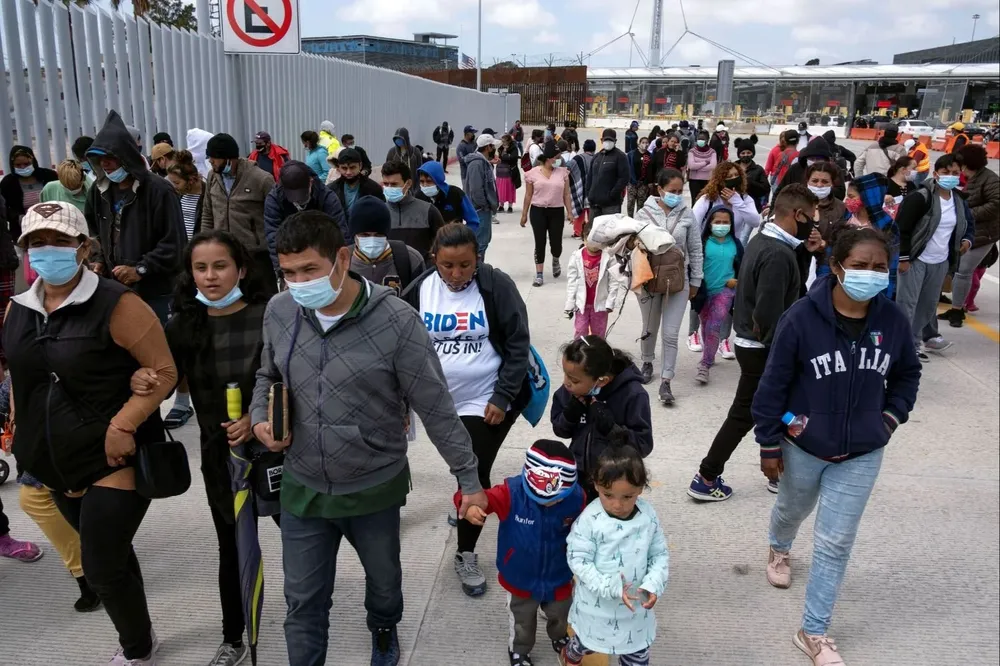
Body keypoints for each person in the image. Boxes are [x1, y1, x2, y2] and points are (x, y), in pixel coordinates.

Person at [249, 211, 486, 666]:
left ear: (342, 258)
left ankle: (382, 627)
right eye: (289, 273)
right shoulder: (281, 312)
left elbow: (435, 406)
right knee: (302, 599)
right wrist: (261, 417)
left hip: (374, 485)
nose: (299, 283)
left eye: (309, 270)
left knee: (384, 584)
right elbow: (266, 374)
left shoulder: (397, 322)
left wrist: (468, 478)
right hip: (303, 486)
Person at [4, 202, 176, 665]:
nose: (46, 251)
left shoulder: (117, 303)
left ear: (83, 247)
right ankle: (142, 633)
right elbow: (23, 376)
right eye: (36, 243)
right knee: (113, 554)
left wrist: (124, 423)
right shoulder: (19, 307)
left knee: (100, 566)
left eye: (59, 241)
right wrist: (17, 429)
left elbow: (163, 371)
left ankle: (137, 648)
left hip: (111, 456)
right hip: (52, 461)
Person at [752, 227, 920, 666]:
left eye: (879, 267)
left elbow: (907, 374)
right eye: (860, 266)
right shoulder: (800, 319)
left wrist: (891, 416)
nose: (870, 274)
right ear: (837, 267)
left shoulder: (893, 321)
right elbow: (772, 386)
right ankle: (779, 545)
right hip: (804, 445)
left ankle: (814, 631)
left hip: (863, 450)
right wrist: (769, 444)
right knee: (792, 509)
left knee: (835, 542)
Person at [130, 230, 275, 666]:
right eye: (200, 267)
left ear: (242, 269)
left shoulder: (272, 315)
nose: (210, 277)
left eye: (220, 266)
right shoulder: (182, 324)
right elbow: (163, 377)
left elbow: (294, 378)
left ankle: (308, 615)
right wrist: (142, 382)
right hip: (220, 454)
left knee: (305, 535)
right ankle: (234, 636)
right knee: (230, 546)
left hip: (276, 448)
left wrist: (259, 414)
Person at [398, 223, 530, 601]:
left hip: (485, 396)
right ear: (434, 259)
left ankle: (466, 553)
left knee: (473, 469)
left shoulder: (495, 286)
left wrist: (503, 395)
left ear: (478, 260)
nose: (456, 274)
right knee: (461, 466)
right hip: (437, 400)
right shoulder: (420, 291)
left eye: (465, 265)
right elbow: (397, 345)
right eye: (448, 265)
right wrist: (401, 400)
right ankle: (463, 500)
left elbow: (519, 342)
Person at [688, 185, 821, 500]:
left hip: (755, 344)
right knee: (751, 413)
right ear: (797, 214)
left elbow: (789, 286)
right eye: (811, 218)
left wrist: (804, 252)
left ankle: (760, 473)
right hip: (763, 348)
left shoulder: (766, 240)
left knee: (774, 411)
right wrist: (788, 355)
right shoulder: (777, 254)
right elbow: (769, 312)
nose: (813, 225)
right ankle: (707, 477)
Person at [460, 438, 585, 666]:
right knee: (522, 621)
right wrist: (470, 505)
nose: (548, 504)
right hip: (519, 576)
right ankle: (519, 649)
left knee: (561, 612)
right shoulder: (511, 492)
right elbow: (479, 497)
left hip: (559, 574)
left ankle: (558, 636)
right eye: (540, 499)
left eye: (556, 499)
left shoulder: (577, 498)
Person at [563, 435, 668, 666]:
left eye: (627, 496)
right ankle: (571, 653)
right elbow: (578, 559)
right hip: (596, 610)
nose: (617, 505)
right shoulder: (590, 519)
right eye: (608, 495)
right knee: (586, 643)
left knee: (636, 657)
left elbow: (659, 555)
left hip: (635, 612)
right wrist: (610, 586)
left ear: (641, 489)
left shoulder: (648, 517)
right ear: (597, 486)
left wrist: (653, 583)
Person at [84, 110, 185, 325]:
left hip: (156, 292)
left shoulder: (159, 191)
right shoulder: (98, 191)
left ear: (126, 155)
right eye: (100, 158)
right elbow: (93, 232)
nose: (105, 164)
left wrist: (141, 269)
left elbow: (174, 243)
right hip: (114, 291)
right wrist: (99, 260)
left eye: (110, 157)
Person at [551, 336, 653, 502]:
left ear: (602, 380)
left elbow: (643, 444)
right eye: (566, 375)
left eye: (574, 380)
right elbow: (560, 430)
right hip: (578, 476)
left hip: (611, 484)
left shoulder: (633, 395)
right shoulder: (570, 392)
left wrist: (612, 429)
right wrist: (570, 414)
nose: (566, 383)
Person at [634, 168, 704, 402]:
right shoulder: (643, 213)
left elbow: (695, 249)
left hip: (678, 281)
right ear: (659, 189)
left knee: (671, 333)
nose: (676, 195)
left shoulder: (688, 214)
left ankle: (666, 380)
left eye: (680, 191)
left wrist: (696, 280)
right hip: (649, 280)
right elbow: (633, 248)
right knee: (649, 327)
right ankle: (646, 361)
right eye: (671, 191)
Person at [895, 155, 974, 360]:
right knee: (907, 304)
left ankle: (915, 341)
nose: (950, 176)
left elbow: (968, 225)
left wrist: (967, 240)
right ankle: (905, 347)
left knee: (928, 305)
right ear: (936, 174)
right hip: (916, 259)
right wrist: (903, 258)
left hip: (940, 261)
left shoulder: (959, 200)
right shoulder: (921, 197)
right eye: (946, 172)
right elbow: (902, 229)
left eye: (955, 173)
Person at [201, 132, 278, 297]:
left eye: (214, 157)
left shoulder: (261, 179)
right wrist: (205, 244)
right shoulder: (213, 177)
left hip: (256, 257)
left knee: (261, 300)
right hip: (224, 254)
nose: (210, 161)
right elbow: (208, 213)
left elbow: (276, 216)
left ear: (229, 158)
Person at [942, 144, 999, 327]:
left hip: (983, 234)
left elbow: (996, 204)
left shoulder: (990, 180)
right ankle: (958, 307)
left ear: (968, 164)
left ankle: (957, 311)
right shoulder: (974, 178)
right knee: (960, 271)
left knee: (964, 271)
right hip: (972, 231)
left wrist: (968, 214)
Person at [692, 206, 743, 385]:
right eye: (717, 222)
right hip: (703, 292)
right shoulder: (702, 242)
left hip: (725, 292)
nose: (721, 225)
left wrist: (736, 280)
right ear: (710, 223)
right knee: (705, 325)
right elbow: (693, 265)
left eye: (725, 222)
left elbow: (743, 267)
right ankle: (710, 355)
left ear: (731, 224)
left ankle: (704, 365)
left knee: (714, 326)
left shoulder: (736, 244)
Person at [265, 161, 347, 272]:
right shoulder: (274, 199)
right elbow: (272, 236)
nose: (298, 200)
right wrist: (281, 271)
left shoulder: (327, 198)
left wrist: (340, 268)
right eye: (292, 196)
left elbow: (341, 233)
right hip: (291, 256)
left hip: (321, 253)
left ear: (311, 182)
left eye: (301, 194)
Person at [347, 196, 424, 295]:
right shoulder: (341, 261)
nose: (372, 240)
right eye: (365, 235)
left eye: (378, 235)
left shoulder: (411, 259)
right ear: (354, 235)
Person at [521, 141, 573, 288]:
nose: (559, 159)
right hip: (538, 211)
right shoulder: (532, 173)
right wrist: (524, 214)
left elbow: (566, 194)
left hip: (556, 211)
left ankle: (555, 259)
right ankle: (539, 274)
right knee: (540, 242)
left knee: (556, 243)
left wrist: (570, 212)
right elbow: (528, 195)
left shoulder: (563, 172)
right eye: (556, 156)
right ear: (548, 158)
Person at [565, 222, 627, 339]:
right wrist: (570, 303)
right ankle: (579, 354)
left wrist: (610, 302)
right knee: (580, 330)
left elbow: (613, 281)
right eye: (588, 239)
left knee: (598, 332)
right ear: (583, 239)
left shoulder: (609, 257)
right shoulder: (577, 256)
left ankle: (598, 354)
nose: (592, 244)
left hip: (599, 304)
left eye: (596, 240)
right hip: (581, 303)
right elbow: (572, 281)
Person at [381, 160, 445, 263]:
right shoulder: (379, 212)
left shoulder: (429, 211)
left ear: (408, 184)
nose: (389, 188)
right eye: (386, 184)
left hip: (422, 274)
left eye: (394, 184)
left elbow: (443, 244)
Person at [691, 160, 762, 245]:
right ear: (720, 181)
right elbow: (693, 225)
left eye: (736, 175)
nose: (734, 178)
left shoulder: (745, 199)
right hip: (708, 247)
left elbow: (755, 222)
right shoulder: (707, 200)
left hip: (733, 248)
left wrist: (738, 202)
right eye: (729, 176)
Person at [2, 145, 58, 247]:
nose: (23, 167)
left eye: (26, 164)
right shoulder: (8, 183)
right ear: (12, 165)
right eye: (18, 165)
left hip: (53, 226)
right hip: (23, 232)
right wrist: (19, 218)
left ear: (33, 161)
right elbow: (5, 208)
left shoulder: (49, 176)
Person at [806, 162, 848, 282]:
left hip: (826, 267)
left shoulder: (841, 208)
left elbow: (843, 240)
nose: (819, 185)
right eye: (815, 181)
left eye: (825, 182)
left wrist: (824, 244)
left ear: (832, 184)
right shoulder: (795, 202)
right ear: (807, 181)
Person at [775, 136, 846, 202]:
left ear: (826, 159)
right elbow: (780, 191)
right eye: (812, 158)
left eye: (818, 159)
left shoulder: (835, 170)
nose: (814, 161)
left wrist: (826, 191)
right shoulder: (795, 168)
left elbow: (841, 193)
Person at [464, 134, 500, 257]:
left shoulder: (482, 162)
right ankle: (476, 272)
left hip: (483, 209)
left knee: (483, 242)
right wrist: (484, 205)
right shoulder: (476, 164)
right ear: (487, 147)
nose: (494, 148)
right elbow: (476, 190)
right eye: (492, 146)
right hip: (480, 210)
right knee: (480, 244)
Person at [417, 160, 480, 230]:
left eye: (429, 181)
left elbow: (473, 221)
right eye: (422, 181)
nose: (425, 185)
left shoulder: (456, 194)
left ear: (438, 180)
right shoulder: (418, 196)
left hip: (452, 239)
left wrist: (463, 237)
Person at [329, 147, 385, 220]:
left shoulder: (374, 189)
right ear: (338, 168)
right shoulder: (331, 190)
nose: (348, 172)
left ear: (360, 166)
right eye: (344, 168)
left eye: (352, 168)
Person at [587, 129, 630, 221]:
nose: (608, 142)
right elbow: (590, 177)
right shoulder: (597, 157)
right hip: (594, 203)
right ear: (601, 140)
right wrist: (589, 194)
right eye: (606, 140)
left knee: (610, 232)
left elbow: (624, 178)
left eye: (610, 140)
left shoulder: (620, 156)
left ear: (615, 141)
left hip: (611, 205)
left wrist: (612, 194)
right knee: (592, 231)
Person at [165, 150, 205, 241]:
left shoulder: (208, 197)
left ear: (191, 180)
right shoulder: (178, 196)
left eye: (177, 183)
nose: (175, 187)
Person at [558, 139, 588, 238]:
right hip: (575, 185)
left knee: (564, 203)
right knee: (584, 209)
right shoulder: (573, 155)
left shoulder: (558, 158)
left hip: (562, 184)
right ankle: (582, 230)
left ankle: (576, 228)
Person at [734, 136, 770, 212]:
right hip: (734, 206)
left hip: (752, 206)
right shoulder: (732, 168)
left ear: (752, 154)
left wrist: (750, 182)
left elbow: (765, 189)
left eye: (748, 153)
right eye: (743, 153)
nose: (745, 155)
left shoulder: (758, 169)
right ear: (739, 154)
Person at [627, 136, 655, 218]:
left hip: (643, 183)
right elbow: (628, 167)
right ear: (639, 144)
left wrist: (648, 181)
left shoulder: (650, 156)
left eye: (647, 143)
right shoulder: (631, 154)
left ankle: (638, 220)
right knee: (630, 203)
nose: (645, 145)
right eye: (643, 143)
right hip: (632, 183)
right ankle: (629, 219)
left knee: (641, 204)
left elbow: (651, 170)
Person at [687, 130, 718, 202]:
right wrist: (705, 163)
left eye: (702, 139)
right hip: (694, 181)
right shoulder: (692, 151)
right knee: (695, 201)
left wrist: (697, 167)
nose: (700, 141)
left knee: (706, 201)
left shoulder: (712, 152)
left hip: (707, 181)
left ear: (707, 140)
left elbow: (713, 166)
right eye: (699, 139)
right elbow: (691, 166)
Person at [495, 134, 520, 214]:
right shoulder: (500, 148)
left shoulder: (513, 148)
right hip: (501, 173)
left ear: (508, 141)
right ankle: (501, 205)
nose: (503, 143)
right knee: (500, 189)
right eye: (502, 141)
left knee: (510, 188)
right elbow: (500, 157)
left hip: (510, 172)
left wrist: (505, 155)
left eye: (504, 141)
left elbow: (513, 157)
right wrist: (505, 155)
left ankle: (510, 206)